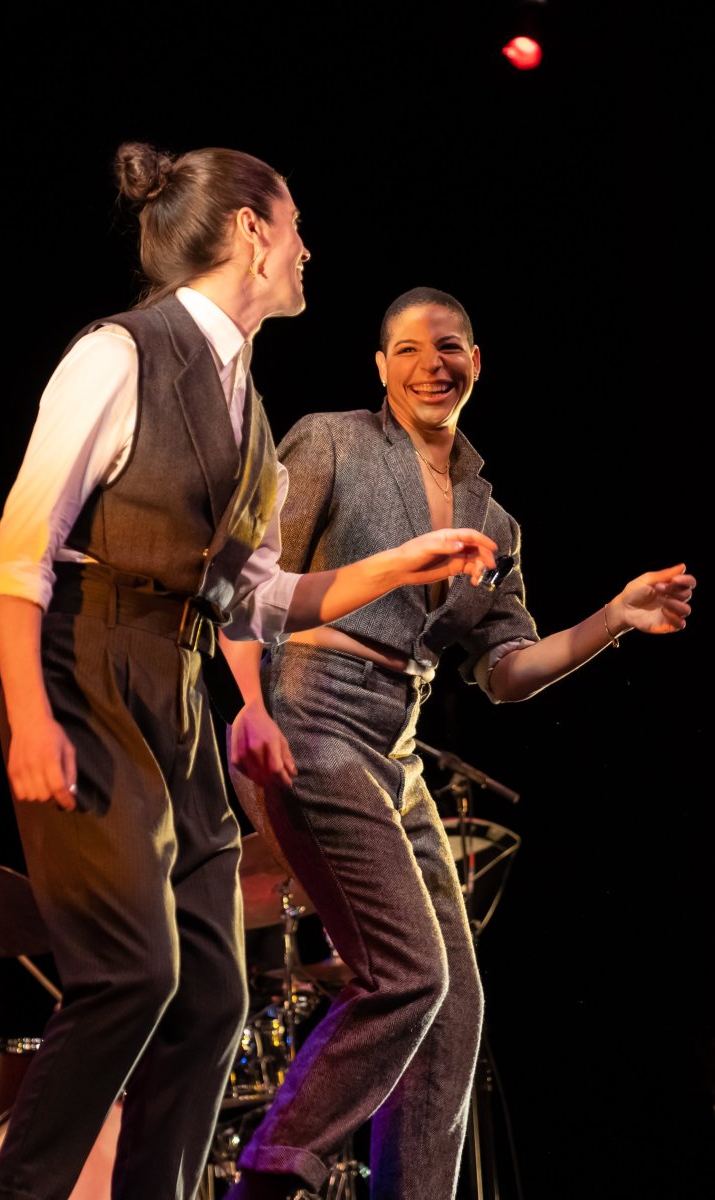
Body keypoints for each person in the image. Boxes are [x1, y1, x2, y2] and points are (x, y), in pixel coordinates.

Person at [0, 150, 500, 1200]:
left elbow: (258, 597)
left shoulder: (242, 402)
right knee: (133, 973)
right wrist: (32, 715)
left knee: (213, 997)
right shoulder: (120, 355)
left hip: (174, 687)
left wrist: (399, 564)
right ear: (253, 232)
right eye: (295, 224)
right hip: (87, 667)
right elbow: (18, 555)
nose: (307, 248)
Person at [219, 286, 697, 1200]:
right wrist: (252, 707)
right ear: (380, 367)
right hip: (311, 715)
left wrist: (615, 617)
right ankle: (269, 1178)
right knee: (408, 975)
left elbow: (508, 672)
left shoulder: (492, 518)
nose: (429, 365)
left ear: (476, 362)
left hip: (395, 746)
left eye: (448, 347)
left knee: (455, 1007)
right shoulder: (332, 441)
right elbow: (251, 583)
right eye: (407, 349)